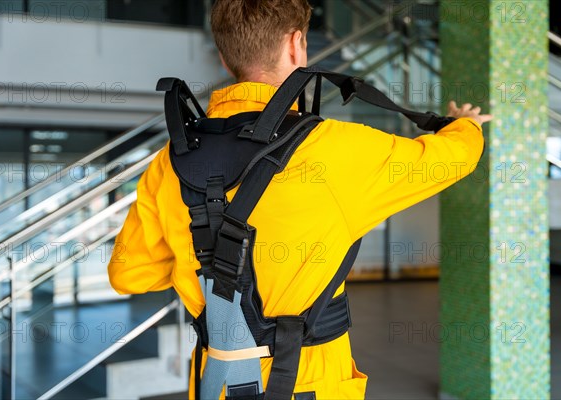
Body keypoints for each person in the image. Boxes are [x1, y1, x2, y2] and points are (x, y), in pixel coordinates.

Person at [108, 0, 492, 398]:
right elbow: (451, 159)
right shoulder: (335, 149)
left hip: (215, 382)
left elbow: (130, 275)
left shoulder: (169, 162)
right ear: (297, 45)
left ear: (225, 58)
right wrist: (464, 124)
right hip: (307, 384)